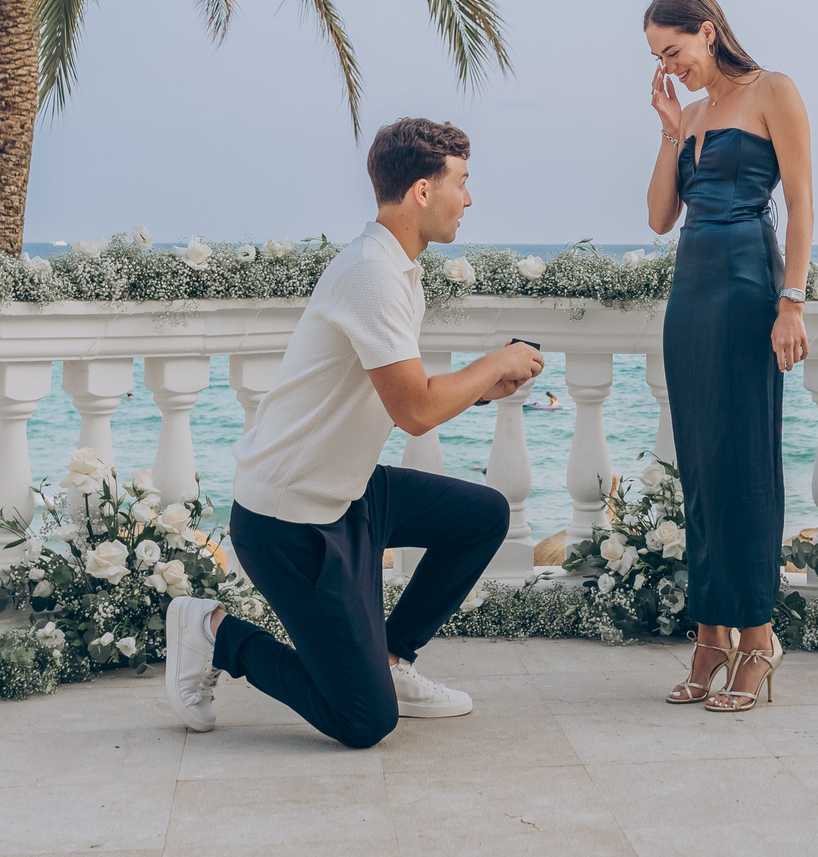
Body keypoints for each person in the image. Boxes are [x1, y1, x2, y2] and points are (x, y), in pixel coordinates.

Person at [163, 117, 545, 748]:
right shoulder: (371, 273)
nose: (469, 199)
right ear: (422, 191)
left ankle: (392, 659)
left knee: (483, 516)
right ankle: (214, 633)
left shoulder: (397, 269)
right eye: (462, 183)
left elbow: (393, 393)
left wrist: (481, 390)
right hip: (291, 521)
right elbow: (415, 412)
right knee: (363, 721)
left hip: (350, 493)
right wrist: (495, 362)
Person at [643, 0, 813, 712]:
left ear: (708, 32)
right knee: (702, 470)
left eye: (674, 49)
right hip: (691, 294)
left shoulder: (773, 90)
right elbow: (660, 218)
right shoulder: (689, 115)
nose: (669, 66)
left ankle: (759, 638)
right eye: (659, 57)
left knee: (745, 465)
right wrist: (668, 132)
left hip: (749, 288)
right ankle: (711, 636)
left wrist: (791, 302)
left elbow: (801, 202)